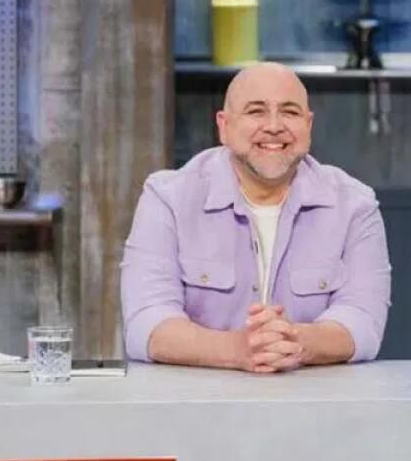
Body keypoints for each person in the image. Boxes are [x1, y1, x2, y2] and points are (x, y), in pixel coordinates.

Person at [120, 62, 391, 372]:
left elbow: (363, 322)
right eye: (256, 111)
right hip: (195, 398)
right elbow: (146, 323)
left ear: (308, 126)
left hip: (314, 397)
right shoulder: (167, 198)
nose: (274, 126)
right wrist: (235, 350)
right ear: (224, 126)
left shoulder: (356, 206)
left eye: (289, 112)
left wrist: (295, 342)